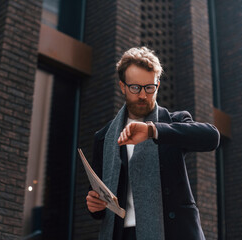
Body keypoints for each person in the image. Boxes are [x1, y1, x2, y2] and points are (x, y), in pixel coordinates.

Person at [86, 46, 220, 240]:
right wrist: (94, 206)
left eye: (149, 88)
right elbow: (99, 200)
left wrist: (153, 130)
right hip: (122, 234)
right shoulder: (104, 137)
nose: (142, 95)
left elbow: (211, 137)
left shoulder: (172, 122)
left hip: (172, 232)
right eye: (135, 88)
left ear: (157, 85)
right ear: (122, 86)